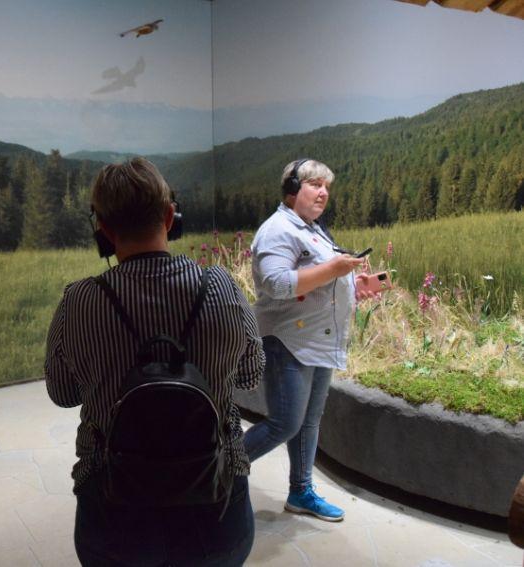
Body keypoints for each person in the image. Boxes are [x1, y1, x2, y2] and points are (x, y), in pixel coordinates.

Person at [45, 157, 265, 566]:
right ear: (170, 217)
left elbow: (62, 394)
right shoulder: (221, 286)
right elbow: (252, 375)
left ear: (103, 230)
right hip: (216, 503)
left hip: (114, 509)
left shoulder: (78, 300)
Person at [243, 158, 374, 522]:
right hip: (288, 341)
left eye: (327, 187)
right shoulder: (277, 231)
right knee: (285, 423)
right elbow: (277, 283)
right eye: (315, 185)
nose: (323, 193)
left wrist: (355, 283)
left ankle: (301, 492)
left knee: (309, 421)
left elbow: (316, 279)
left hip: (317, 339)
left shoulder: (313, 229)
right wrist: (334, 268)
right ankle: (213, 472)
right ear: (292, 189)